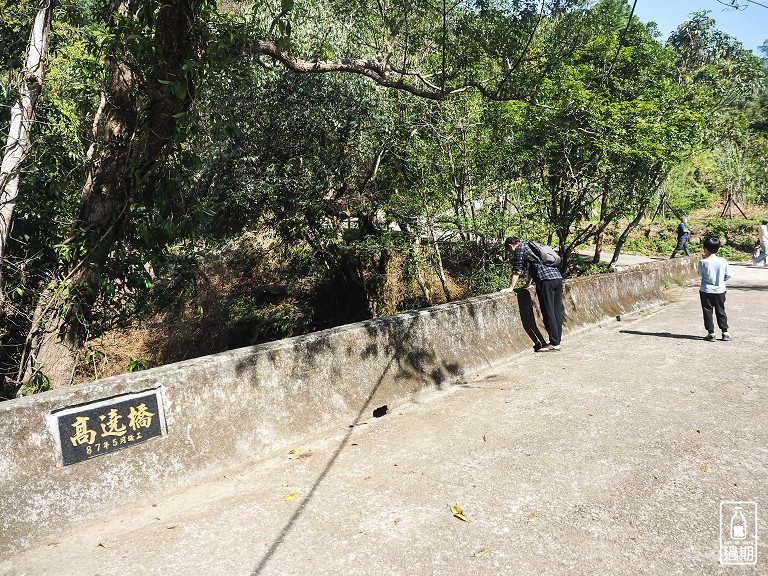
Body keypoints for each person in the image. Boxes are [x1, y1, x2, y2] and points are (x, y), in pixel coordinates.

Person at [502, 237, 563, 352]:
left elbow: (517, 269)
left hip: (545, 280)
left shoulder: (520, 248)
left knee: (548, 311)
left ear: (511, 246)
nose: (511, 253)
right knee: (556, 311)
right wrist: (527, 284)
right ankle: (557, 341)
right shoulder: (530, 246)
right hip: (557, 278)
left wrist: (511, 288)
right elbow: (532, 268)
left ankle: (554, 343)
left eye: (509, 250)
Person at [698, 237, 732, 342]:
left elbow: (700, 274)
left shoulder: (703, 262)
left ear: (705, 249)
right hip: (720, 290)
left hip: (706, 290)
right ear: (718, 249)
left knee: (707, 311)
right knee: (720, 310)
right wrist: (721, 281)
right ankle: (725, 332)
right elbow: (728, 275)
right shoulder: (722, 261)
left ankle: (711, 333)